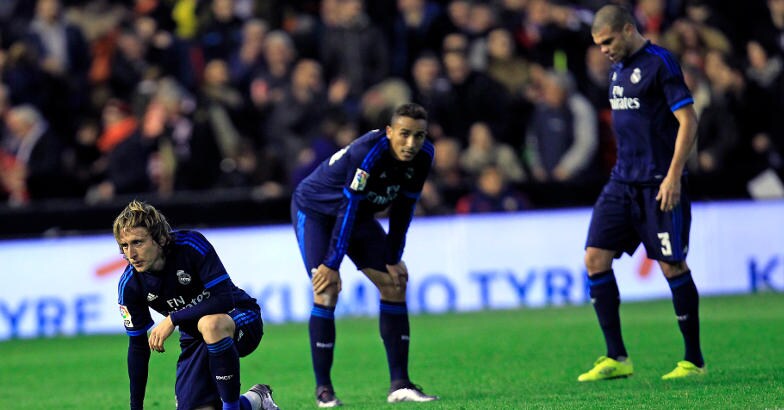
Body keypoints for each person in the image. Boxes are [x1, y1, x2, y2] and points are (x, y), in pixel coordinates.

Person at [578, 5, 705, 382]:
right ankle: (616, 357)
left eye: (608, 41)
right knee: (594, 259)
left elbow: (688, 120)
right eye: (598, 44)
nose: (604, 50)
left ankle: (694, 361)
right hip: (622, 183)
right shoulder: (616, 70)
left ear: (628, 30)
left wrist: (673, 176)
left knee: (672, 266)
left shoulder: (660, 63)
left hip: (658, 184)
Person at [290, 103, 439, 407]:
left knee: (395, 283)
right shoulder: (367, 153)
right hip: (316, 211)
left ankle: (400, 384)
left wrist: (393, 255)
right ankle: (324, 391)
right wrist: (331, 265)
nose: (411, 144)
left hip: (354, 216)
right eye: (404, 134)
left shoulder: (424, 157)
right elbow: (348, 207)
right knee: (327, 287)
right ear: (389, 132)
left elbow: (404, 209)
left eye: (419, 136)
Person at [113, 200, 280, 410]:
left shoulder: (190, 245)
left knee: (211, 324)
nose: (131, 253)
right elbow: (137, 346)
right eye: (124, 246)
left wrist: (173, 319)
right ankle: (257, 399)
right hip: (195, 338)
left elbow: (223, 299)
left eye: (138, 242)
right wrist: (135, 407)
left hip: (241, 317)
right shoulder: (130, 284)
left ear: (161, 238)